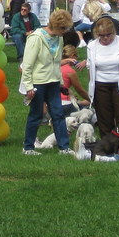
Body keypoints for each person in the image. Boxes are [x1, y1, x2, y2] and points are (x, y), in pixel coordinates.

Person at [19, 9, 75, 156]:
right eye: (63, 28)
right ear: (54, 25)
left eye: (66, 28)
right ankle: (28, 147)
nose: (65, 31)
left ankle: (64, 147)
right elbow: (27, 65)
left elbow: (57, 63)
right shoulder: (36, 38)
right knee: (36, 115)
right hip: (38, 83)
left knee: (58, 114)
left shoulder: (59, 38)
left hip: (54, 82)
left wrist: (62, 82)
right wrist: (29, 86)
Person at [85, 17, 119, 154]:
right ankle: (107, 148)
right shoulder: (92, 46)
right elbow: (90, 67)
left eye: (108, 35)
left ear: (113, 33)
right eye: (101, 36)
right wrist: (92, 88)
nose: (105, 38)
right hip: (101, 85)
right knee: (104, 118)